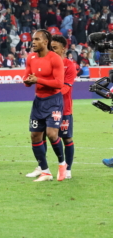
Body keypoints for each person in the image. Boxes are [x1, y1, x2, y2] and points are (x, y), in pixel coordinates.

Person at [28, 35, 76, 179]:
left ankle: (67, 168)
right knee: (39, 135)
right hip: (45, 106)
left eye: (55, 48)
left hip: (64, 107)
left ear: (64, 49)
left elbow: (65, 87)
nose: (52, 51)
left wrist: (49, 91)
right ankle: (41, 166)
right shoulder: (47, 61)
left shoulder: (70, 65)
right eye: (50, 48)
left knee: (66, 138)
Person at [23, 29, 66, 182]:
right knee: (35, 136)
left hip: (53, 101)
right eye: (32, 39)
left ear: (45, 42)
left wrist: (38, 80)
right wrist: (26, 80)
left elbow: (59, 84)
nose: (33, 42)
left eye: (36, 39)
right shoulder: (31, 58)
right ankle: (45, 171)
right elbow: (27, 77)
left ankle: (62, 164)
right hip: (38, 102)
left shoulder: (54, 59)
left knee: (52, 134)